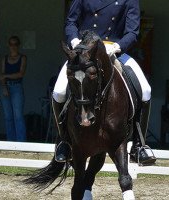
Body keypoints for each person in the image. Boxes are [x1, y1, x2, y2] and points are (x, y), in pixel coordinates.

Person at [53, 0, 156, 164]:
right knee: (58, 91)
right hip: (84, 51)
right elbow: (71, 22)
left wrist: (116, 46)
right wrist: (74, 41)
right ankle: (64, 142)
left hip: (113, 50)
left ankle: (139, 145)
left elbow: (132, 32)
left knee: (145, 90)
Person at [0, 36, 27, 142]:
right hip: (6, 87)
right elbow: (1, 76)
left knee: (18, 116)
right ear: (8, 45)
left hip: (17, 87)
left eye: (15, 44)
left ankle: (21, 143)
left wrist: (6, 76)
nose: (13, 46)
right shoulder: (4, 59)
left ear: (18, 45)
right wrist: (4, 86)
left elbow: (21, 74)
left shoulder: (23, 58)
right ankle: (10, 142)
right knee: (8, 116)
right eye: (11, 44)